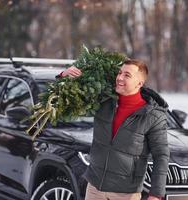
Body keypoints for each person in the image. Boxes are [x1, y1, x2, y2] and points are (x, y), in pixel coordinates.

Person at [61, 59, 169, 200]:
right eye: (120, 73)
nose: (119, 78)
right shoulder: (105, 101)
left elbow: (161, 155)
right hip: (94, 188)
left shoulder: (153, 116)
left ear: (139, 83)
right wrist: (64, 76)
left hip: (125, 193)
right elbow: (69, 102)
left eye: (127, 75)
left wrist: (156, 194)